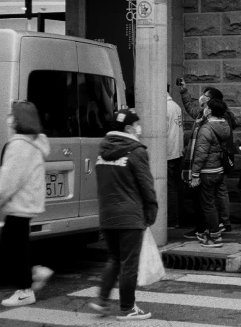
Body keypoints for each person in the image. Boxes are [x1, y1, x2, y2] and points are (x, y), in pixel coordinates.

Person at [89, 109, 158, 321]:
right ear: (128, 128)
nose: (139, 129)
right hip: (130, 215)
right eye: (137, 125)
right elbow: (146, 186)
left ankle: (102, 301)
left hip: (107, 214)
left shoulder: (103, 151)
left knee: (114, 258)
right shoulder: (136, 151)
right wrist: (151, 212)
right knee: (129, 263)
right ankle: (127, 308)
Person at [0, 101, 52, 307]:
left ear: (20, 120)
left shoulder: (19, 145)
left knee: (10, 244)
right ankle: (34, 275)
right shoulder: (34, 142)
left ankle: (25, 288)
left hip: (20, 202)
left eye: (13, 114)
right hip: (27, 201)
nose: (9, 118)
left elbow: (9, 180)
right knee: (16, 242)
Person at [184, 98, 232, 247]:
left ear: (210, 111)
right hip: (218, 169)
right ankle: (213, 231)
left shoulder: (206, 128)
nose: (203, 108)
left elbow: (200, 154)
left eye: (206, 106)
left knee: (208, 205)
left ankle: (215, 236)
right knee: (214, 203)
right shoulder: (224, 125)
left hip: (207, 171)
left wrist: (195, 174)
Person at [167, 87, 184, 229]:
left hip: (167, 153)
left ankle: (172, 220)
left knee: (170, 187)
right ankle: (176, 218)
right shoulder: (175, 106)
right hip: (176, 151)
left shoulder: (163, 107)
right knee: (175, 186)